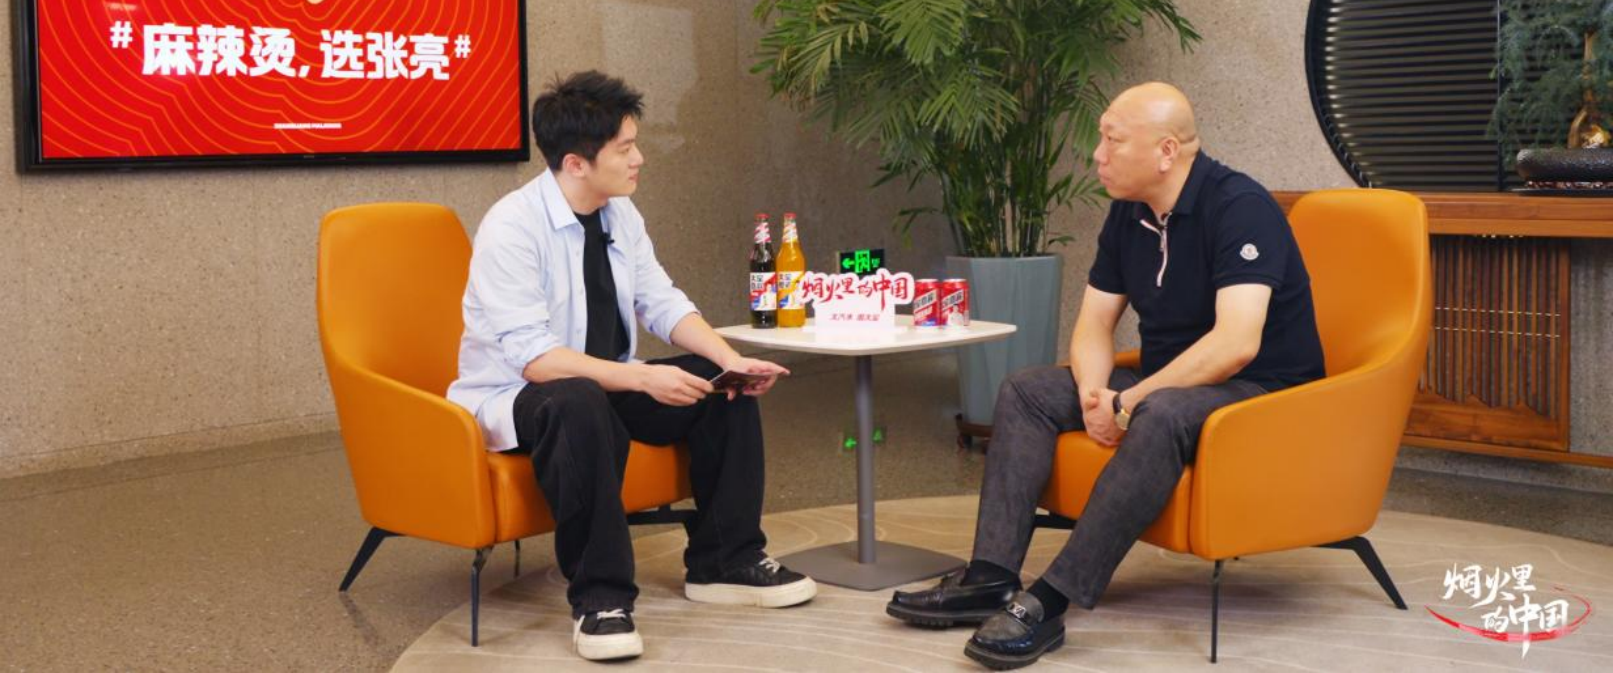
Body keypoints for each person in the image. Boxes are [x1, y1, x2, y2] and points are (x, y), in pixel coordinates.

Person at [886, 82, 1324, 669]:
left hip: (1261, 391)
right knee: (1028, 390)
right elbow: (1095, 322)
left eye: (1113, 141)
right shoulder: (1130, 213)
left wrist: (1129, 402)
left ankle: (1051, 599)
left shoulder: (1240, 208)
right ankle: (990, 577)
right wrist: (1096, 393)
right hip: (1168, 382)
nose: (1097, 154)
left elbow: (1236, 345)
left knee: (1160, 412)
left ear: (1166, 151)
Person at [449, 71, 816, 663]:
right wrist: (645, 377)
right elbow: (536, 359)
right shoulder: (511, 227)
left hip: (605, 381)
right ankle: (601, 601)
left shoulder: (619, 213)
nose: (639, 158)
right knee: (577, 399)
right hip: (522, 394)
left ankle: (726, 560)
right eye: (625, 149)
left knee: (717, 386)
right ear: (576, 163)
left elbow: (661, 301)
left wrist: (728, 359)